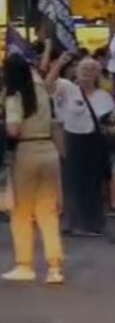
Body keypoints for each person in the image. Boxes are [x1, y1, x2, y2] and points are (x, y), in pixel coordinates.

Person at [2, 53, 64, 284]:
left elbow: (14, 130)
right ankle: (54, 267)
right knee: (47, 211)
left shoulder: (14, 96)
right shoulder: (40, 88)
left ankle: (24, 264)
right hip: (48, 149)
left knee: (21, 212)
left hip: (26, 152)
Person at [47, 53, 113, 236]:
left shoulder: (104, 97)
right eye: (83, 68)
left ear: (98, 74)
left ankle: (92, 224)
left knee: (93, 184)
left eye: (92, 69)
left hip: (95, 143)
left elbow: (109, 123)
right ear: (76, 70)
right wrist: (59, 64)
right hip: (73, 140)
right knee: (73, 183)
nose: (87, 72)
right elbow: (48, 85)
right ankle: (72, 223)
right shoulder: (68, 88)